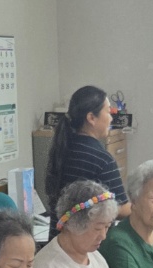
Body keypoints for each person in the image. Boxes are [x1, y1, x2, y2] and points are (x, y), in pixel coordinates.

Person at [44, 86, 130, 235]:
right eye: (108, 112)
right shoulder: (102, 159)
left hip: (58, 240)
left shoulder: (62, 149)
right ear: (91, 118)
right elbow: (120, 209)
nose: (111, 118)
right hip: (86, 245)